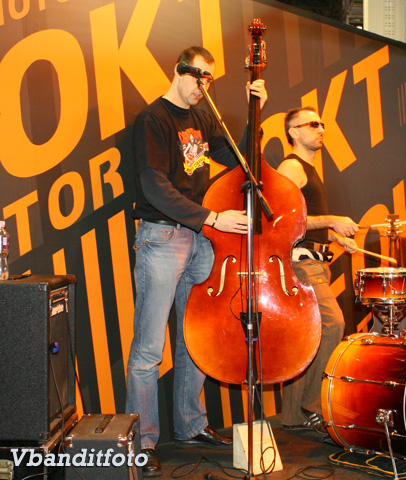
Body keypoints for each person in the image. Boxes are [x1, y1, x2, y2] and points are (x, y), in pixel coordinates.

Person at [126, 46, 268, 477]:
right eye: (197, 76)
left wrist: (255, 112)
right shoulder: (153, 119)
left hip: (198, 240)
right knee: (149, 348)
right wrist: (212, 217)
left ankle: (190, 425)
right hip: (162, 237)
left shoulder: (204, 118)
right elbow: (154, 186)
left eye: (209, 79)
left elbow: (241, 159)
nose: (202, 86)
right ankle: (142, 441)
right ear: (178, 70)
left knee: (194, 338)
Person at [277, 107, 359, 436]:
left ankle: (292, 415)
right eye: (313, 124)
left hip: (314, 261)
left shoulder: (307, 169)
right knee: (332, 323)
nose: (321, 129)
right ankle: (312, 404)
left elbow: (304, 220)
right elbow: (282, 219)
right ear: (293, 132)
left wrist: (335, 237)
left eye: (322, 123)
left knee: (307, 336)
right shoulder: (292, 167)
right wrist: (332, 221)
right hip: (300, 264)